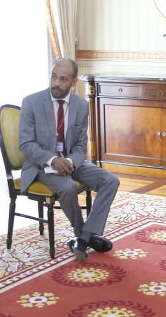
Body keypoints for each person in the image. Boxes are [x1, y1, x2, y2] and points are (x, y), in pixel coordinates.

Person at [19, 58, 119, 261]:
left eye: (63, 79)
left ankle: (84, 237)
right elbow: (26, 144)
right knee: (68, 187)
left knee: (110, 181)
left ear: (73, 82)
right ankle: (84, 235)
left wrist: (71, 162)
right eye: (53, 77)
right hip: (41, 165)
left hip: (72, 162)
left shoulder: (81, 105)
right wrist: (52, 160)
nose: (56, 83)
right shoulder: (31, 102)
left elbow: (81, 145)